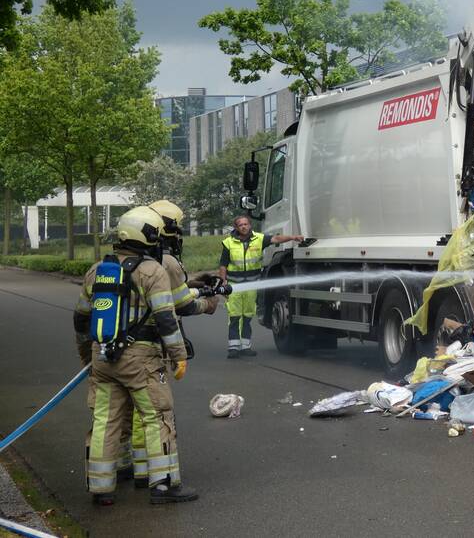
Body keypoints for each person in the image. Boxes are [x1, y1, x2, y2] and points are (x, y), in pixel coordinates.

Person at [73, 206, 198, 506]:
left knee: (105, 421)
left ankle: (101, 490)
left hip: (102, 358)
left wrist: (87, 357)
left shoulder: (96, 270)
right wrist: (179, 356)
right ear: (146, 236)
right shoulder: (152, 271)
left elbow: (80, 319)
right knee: (157, 417)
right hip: (141, 360)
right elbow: (166, 319)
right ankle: (164, 486)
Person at [119, 200, 229, 488]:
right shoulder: (164, 261)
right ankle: (157, 478)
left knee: (125, 409)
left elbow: (172, 288)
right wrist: (207, 302)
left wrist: (196, 282)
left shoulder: (127, 261)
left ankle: (133, 469)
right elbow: (176, 306)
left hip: (117, 348)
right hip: (146, 348)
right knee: (154, 411)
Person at [218, 215, 302, 358]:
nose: (244, 227)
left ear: (250, 225)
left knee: (247, 317)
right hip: (234, 286)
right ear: (236, 228)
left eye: (246, 224)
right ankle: (233, 348)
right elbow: (223, 265)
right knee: (234, 317)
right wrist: (222, 282)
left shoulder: (259, 238)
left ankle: (245, 347)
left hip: (251, 285)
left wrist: (293, 237)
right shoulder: (228, 243)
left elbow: (276, 239)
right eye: (240, 225)